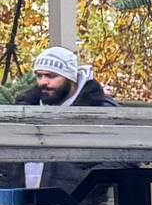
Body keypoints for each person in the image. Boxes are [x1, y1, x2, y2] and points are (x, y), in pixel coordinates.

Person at [18, 46, 114, 194]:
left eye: (51, 76)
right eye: (39, 75)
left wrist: (89, 184)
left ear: (70, 77)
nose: (43, 82)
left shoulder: (100, 108)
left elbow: (126, 157)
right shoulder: (23, 109)